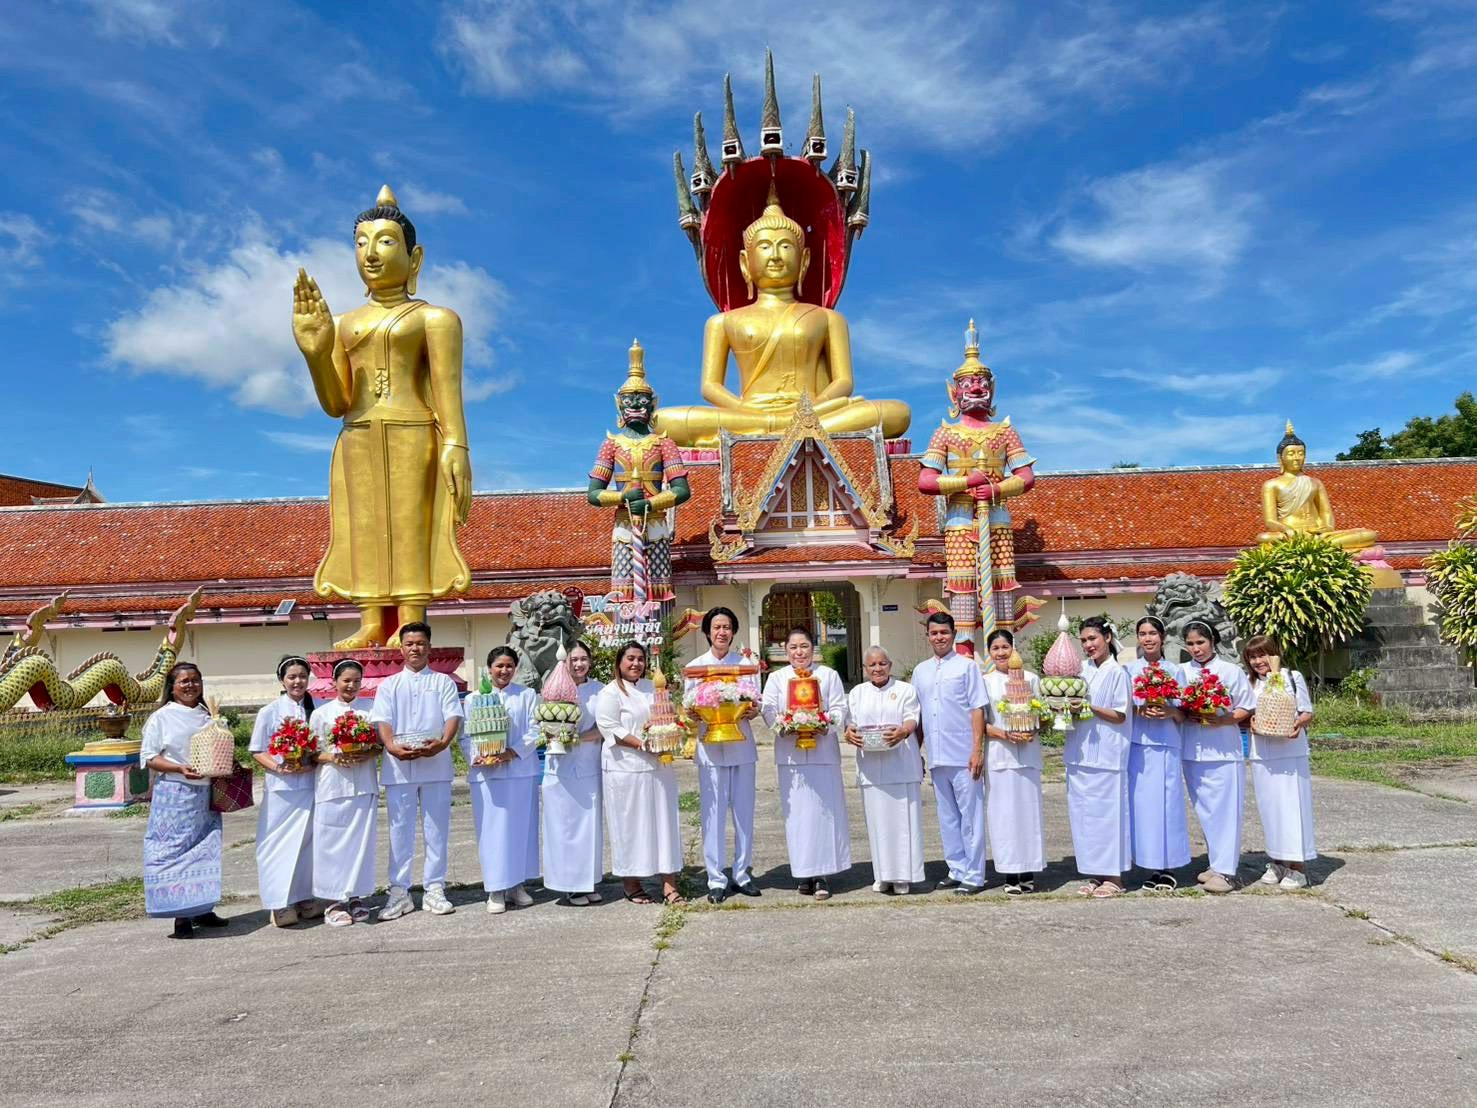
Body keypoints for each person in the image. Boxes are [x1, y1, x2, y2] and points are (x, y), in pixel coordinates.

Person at [370, 620, 463, 919]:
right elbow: (382, 721)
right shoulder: (390, 684)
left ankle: (434, 888)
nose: (415, 648)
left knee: (437, 829)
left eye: (421, 643)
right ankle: (399, 892)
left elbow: (453, 716)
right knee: (400, 831)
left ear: (429, 647)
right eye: (409, 643)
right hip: (399, 766)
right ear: (401, 647)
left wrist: (443, 743)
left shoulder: (443, 682)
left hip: (436, 764)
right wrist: (391, 747)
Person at [761, 626, 851, 900]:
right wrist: (783, 726)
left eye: (804, 646)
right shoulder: (777, 678)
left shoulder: (828, 675)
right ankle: (802, 871)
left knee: (824, 813)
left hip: (823, 753)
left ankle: (823, 874)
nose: (799, 652)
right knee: (798, 816)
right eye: (793, 647)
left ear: (814, 649)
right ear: (786, 651)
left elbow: (839, 708)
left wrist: (826, 724)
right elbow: (768, 709)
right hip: (791, 756)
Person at [140, 663, 228, 938]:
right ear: (172, 686)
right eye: (184, 681)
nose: (190, 685)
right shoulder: (161, 717)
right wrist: (179, 768)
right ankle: (180, 915)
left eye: (195, 680)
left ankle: (202, 907)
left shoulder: (207, 714)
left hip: (206, 792)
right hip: (175, 794)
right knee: (175, 851)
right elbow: (150, 757)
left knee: (204, 849)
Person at [596, 642, 684, 906]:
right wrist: (642, 744)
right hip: (626, 769)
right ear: (619, 662)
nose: (636, 664)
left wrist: (665, 731)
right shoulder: (610, 692)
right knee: (630, 827)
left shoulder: (653, 687)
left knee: (664, 825)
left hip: (659, 767)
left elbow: (666, 715)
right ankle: (631, 883)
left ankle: (669, 885)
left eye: (640, 659)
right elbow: (609, 727)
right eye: (630, 659)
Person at [684, 606, 760, 904]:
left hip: (741, 746)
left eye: (727, 627)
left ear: (733, 631)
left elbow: (754, 706)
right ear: (707, 632)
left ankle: (742, 873)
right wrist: (692, 712)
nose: (721, 632)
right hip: (710, 748)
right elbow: (690, 710)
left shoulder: (746, 666)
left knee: (744, 813)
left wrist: (751, 709)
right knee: (712, 815)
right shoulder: (695, 667)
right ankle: (715, 877)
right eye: (716, 627)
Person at [912, 611, 989, 894]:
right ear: (928, 636)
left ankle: (975, 874)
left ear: (953, 634)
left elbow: (977, 708)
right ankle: (956, 868)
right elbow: (917, 715)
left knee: (971, 816)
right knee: (947, 817)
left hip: (963, 754)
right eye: (934, 633)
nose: (939, 637)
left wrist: (977, 749)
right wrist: (917, 752)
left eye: (944, 632)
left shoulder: (967, 667)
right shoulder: (921, 671)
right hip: (936, 754)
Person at [1180, 619, 1254, 894]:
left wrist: (1223, 721)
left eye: (1200, 642)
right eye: (1190, 643)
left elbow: (1246, 705)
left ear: (1212, 641)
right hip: (1192, 750)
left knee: (1226, 811)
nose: (1196, 648)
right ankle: (1215, 862)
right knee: (1205, 810)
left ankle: (1226, 871)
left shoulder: (1229, 670)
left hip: (1224, 750)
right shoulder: (1181, 671)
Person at [465, 646, 541, 914]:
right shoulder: (475, 699)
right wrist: (478, 756)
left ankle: (517, 885)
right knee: (492, 831)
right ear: (489, 669)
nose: (504, 671)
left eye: (509, 666)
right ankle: (495, 889)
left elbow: (536, 729)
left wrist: (512, 752)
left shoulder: (527, 695)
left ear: (515, 669)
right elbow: (466, 735)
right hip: (487, 776)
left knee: (521, 830)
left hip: (520, 772)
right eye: (499, 666)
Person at [843, 646, 923, 895]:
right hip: (871, 768)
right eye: (872, 665)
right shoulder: (857, 692)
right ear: (864, 669)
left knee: (903, 821)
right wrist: (849, 732)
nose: (877, 669)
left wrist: (904, 731)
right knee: (877, 822)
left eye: (882, 664)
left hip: (901, 764)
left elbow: (912, 718)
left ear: (890, 665)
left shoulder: (905, 690)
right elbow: (850, 721)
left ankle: (903, 877)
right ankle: (882, 874)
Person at [249, 655, 320, 928]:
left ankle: (304, 897)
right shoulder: (269, 712)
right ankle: (279, 902)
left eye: (302, 676)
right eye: (291, 677)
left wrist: (310, 761)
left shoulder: (317, 709)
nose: (297, 681)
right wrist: (281, 769)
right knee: (278, 845)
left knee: (306, 844)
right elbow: (257, 750)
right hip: (282, 790)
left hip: (310, 786)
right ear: (282, 680)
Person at [1124, 617, 1192, 892]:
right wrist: (1139, 710)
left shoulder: (1175, 671)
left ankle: (1169, 866)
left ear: (1162, 637)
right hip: (1139, 745)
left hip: (1166, 745)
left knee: (1167, 805)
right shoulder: (1129, 670)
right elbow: (1123, 707)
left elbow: (1185, 711)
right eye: (1142, 634)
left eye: (1153, 633)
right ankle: (1150, 865)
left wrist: (1170, 711)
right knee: (1143, 808)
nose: (1148, 638)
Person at [1244, 635, 1317, 889]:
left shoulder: (1291, 678)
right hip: (1263, 754)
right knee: (1270, 809)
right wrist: (1250, 721)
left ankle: (1297, 867)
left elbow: (1306, 712)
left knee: (1292, 808)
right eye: (1253, 657)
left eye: (1263, 655)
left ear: (1274, 654)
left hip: (1290, 753)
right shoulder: (1250, 683)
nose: (1258, 661)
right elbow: (1246, 712)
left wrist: (1298, 724)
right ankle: (1277, 861)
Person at [310, 659, 379, 927]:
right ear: (334, 682)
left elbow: (378, 746)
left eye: (356, 681)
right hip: (332, 785)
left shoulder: (370, 710)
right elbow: (312, 751)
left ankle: (356, 896)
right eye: (346, 680)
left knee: (361, 844)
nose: (351, 685)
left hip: (363, 783)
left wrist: (364, 753)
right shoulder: (321, 713)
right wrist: (334, 757)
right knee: (332, 843)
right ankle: (333, 901)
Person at [1068, 617, 1132, 898]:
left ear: (1107, 637)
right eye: (1083, 640)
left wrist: (1088, 706)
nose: (1088, 645)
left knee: (1108, 816)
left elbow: (1119, 715)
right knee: (1084, 817)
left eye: (1092, 639)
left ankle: (1114, 878)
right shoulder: (1079, 670)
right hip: (1079, 752)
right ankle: (1095, 873)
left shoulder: (1118, 672)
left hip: (1107, 754)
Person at [979, 630, 1046, 895]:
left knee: (1028, 814)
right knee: (1004, 815)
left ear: (1013, 648)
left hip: (1027, 755)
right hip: (999, 756)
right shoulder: (984, 682)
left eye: (1005, 647)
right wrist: (1005, 734)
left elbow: (1041, 714)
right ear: (990, 653)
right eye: (995, 648)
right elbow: (979, 722)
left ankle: (1028, 871)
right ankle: (1010, 872)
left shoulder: (1031, 679)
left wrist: (1032, 729)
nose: (1001, 653)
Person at [541, 641, 606, 906]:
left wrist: (579, 738)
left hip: (589, 767)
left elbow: (606, 726)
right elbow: (543, 721)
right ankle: (570, 886)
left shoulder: (600, 690)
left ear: (589, 661)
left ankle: (587, 881)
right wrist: (555, 735)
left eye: (583, 659)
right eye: (573, 659)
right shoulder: (553, 688)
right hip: (560, 769)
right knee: (564, 827)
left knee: (589, 828)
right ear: (564, 662)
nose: (578, 664)